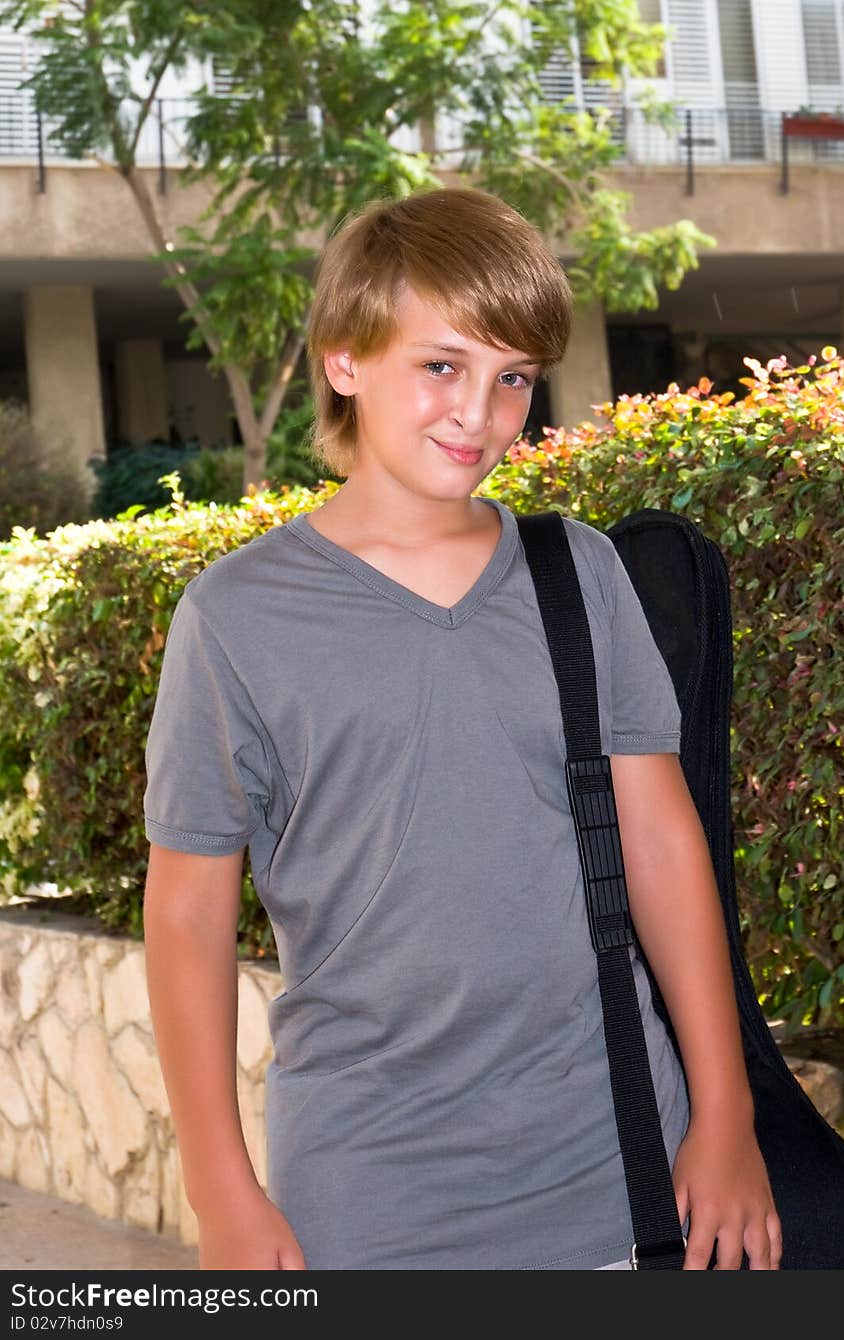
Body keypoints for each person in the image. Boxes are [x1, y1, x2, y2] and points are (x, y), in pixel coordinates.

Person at [142, 186, 783, 1271]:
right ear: (345, 357)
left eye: (512, 377)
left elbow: (664, 847)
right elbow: (188, 914)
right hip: (367, 1194)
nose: (479, 413)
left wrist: (724, 1115)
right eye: (441, 364)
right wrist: (221, 1187)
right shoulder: (236, 616)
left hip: (618, 1165)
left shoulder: (577, 572)